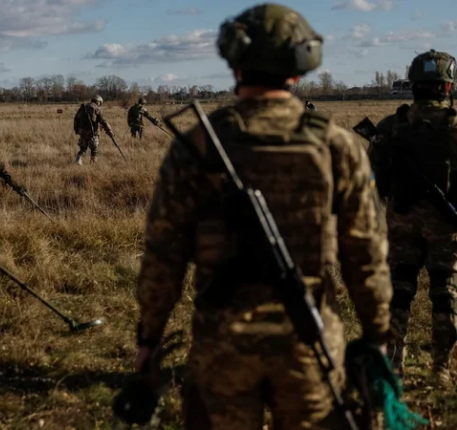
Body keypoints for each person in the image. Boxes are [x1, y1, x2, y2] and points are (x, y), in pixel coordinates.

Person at [134, 4, 392, 428]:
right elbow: (366, 252)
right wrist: (377, 335)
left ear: (235, 64)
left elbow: (163, 255)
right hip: (309, 348)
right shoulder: (336, 144)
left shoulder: (197, 144)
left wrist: (149, 338)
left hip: (221, 347)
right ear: (301, 67)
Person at [370, 50, 457, 386]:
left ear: (413, 85)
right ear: (449, 85)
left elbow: (372, 180)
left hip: (401, 223)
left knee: (399, 290)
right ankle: (440, 368)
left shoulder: (389, 127)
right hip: (447, 226)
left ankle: (394, 362)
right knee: (445, 292)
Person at [73, 95, 114, 165]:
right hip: (92, 132)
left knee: (83, 148)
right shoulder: (97, 109)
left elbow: (76, 119)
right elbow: (103, 121)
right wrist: (109, 131)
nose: (100, 105)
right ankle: (93, 165)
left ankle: (78, 159)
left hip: (82, 131)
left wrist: (77, 130)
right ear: (98, 101)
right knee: (94, 150)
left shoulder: (83, 107)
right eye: (100, 103)